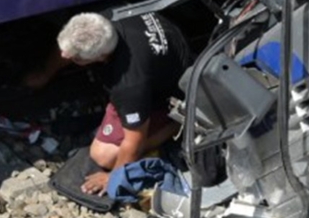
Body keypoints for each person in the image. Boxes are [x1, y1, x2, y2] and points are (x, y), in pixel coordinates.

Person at [26, 10, 191, 195]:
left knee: (103, 155)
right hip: (166, 56)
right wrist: (45, 74)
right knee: (72, 45)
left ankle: (177, 126)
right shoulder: (103, 21)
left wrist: (113, 177)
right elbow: (67, 47)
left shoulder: (129, 84)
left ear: (101, 57)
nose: (64, 55)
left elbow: (134, 140)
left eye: (75, 58)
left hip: (166, 94)